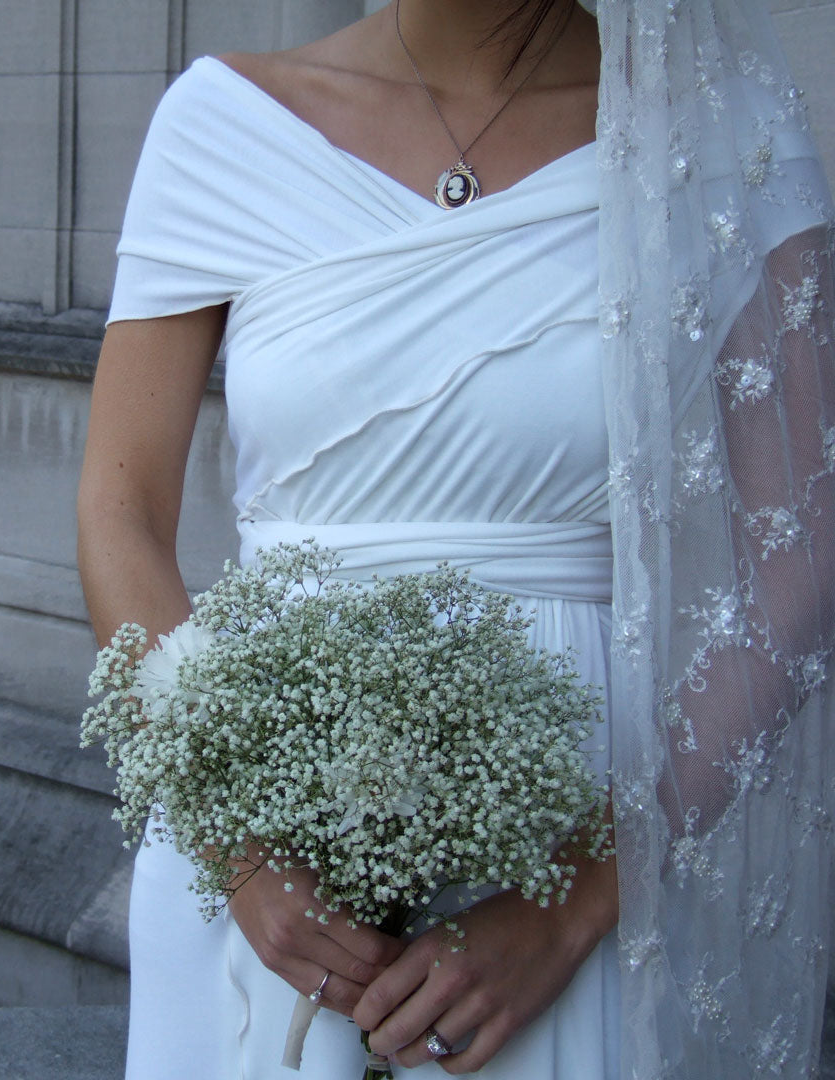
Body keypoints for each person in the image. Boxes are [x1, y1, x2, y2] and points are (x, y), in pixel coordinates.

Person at [77, 0, 835, 1076]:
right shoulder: (221, 122)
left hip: (574, 850)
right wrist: (236, 846)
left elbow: (804, 566)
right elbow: (120, 514)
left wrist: (574, 903)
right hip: (260, 855)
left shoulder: (725, 134)